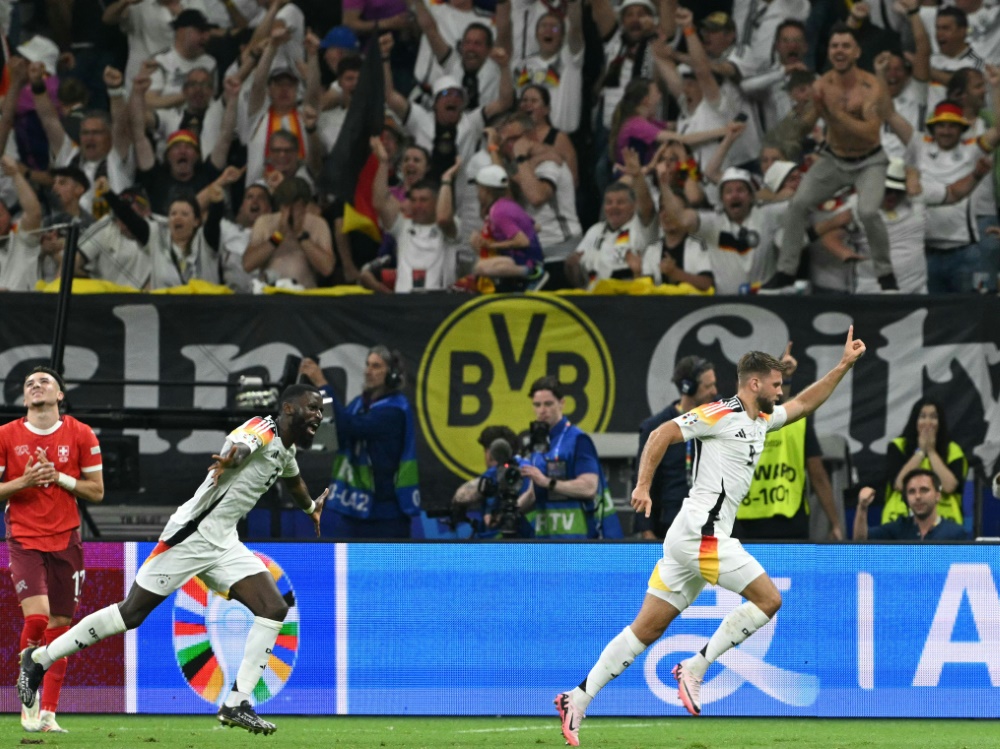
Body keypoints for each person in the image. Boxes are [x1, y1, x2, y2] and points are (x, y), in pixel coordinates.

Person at [554, 327, 867, 745]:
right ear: (755, 384)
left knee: (644, 630)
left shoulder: (764, 419)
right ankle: (696, 667)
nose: (781, 391)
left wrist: (843, 365)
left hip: (692, 538)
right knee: (769, 599)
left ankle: (578, 696)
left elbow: (805, 402)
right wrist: (643, 486)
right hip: (700, 535)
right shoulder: (719, 413)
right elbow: (660, 433)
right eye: (775, 384)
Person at [17, 385, 329, 736]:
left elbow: (295, 480)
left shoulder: (285, 449)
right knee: (130, 614)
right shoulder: (264, 427)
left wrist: (310, 507)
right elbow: (242, 446)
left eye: (321, 410)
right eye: (312, 407)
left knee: (273, 608)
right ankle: (40, 658)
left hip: (224, 542)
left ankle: (237, 702)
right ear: (288, 408)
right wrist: (234, 456)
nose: (318, 414)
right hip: (192, 535)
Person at [1, 367, 104, 733]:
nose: (35, 386)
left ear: (59, 395)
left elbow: (97, 491)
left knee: (61, 627)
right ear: (25, 397)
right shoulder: (5, 435)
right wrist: (23, 481)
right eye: (29, 384)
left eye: (44, 382)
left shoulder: (80, 433)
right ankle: (26, 700)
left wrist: (58, 477)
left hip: (67, 539)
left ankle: (48, 713)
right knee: (39, 617)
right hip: (25, 538)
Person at [760, 24, 899, 293]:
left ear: (857, 52)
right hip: (834, 159)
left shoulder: (871, 86)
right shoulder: (822, 83)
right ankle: (786, 272)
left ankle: (886, 275)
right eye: (835, 46)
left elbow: (870, 132)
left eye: (846, 46)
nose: (839, 51)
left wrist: (833, 113)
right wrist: (802, 108)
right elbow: (802, 126)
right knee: (798, 204)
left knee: (868, 212)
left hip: (869, 160)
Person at [299, 348, 421, 539]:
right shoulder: (358, 404)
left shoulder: (395, 410)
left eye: (376, 366)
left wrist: (322, 384)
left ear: (392, 374)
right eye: (367, 364)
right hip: (355, 510)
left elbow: (352, 426)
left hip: (387, 514)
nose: (367, 370)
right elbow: (338, 429)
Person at [734, 344, 846, 541]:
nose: (779, 392)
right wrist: (835, 522)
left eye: (781, 385)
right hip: (778, 524)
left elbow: (818, 475)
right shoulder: (737, 422)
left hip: (750, 523)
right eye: (775, 385)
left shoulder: (735, 421)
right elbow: (818, 476)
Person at [519, 376, 622, 539]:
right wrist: (511, 511)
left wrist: (547, 482)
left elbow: (589, 488)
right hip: (544, 540)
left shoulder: (578, 439)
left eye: (548, 404)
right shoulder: (537, 444)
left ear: (562, 403)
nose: (542, 410)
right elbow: (533, 493)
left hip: (577, 540)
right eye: (537, 405)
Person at [633, 356, 718, 540]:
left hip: (712, 524)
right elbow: (643, 479)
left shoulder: (721, 419)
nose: (714, 391)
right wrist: (647, 532)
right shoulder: (655, 428)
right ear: (688, 388)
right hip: (670, 526)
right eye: (707, 386)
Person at [882, 398, 968, 526]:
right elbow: (899, 484)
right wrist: (921, 452)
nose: (928, 422)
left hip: (944, 521)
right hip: (900, 518)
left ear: (940, 423)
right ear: (915, 422)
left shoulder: (953, 451)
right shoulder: (898, 446)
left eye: (933, 417)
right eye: (922, 417)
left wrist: (931, 451)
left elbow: (949, 487)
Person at [854, 469, 967, 541]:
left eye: (924, 490)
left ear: (938, 496)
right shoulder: (898, 528)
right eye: (912, 491)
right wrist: (862, 507)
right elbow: (860, 541)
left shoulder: (955, 533)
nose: (917, 496)